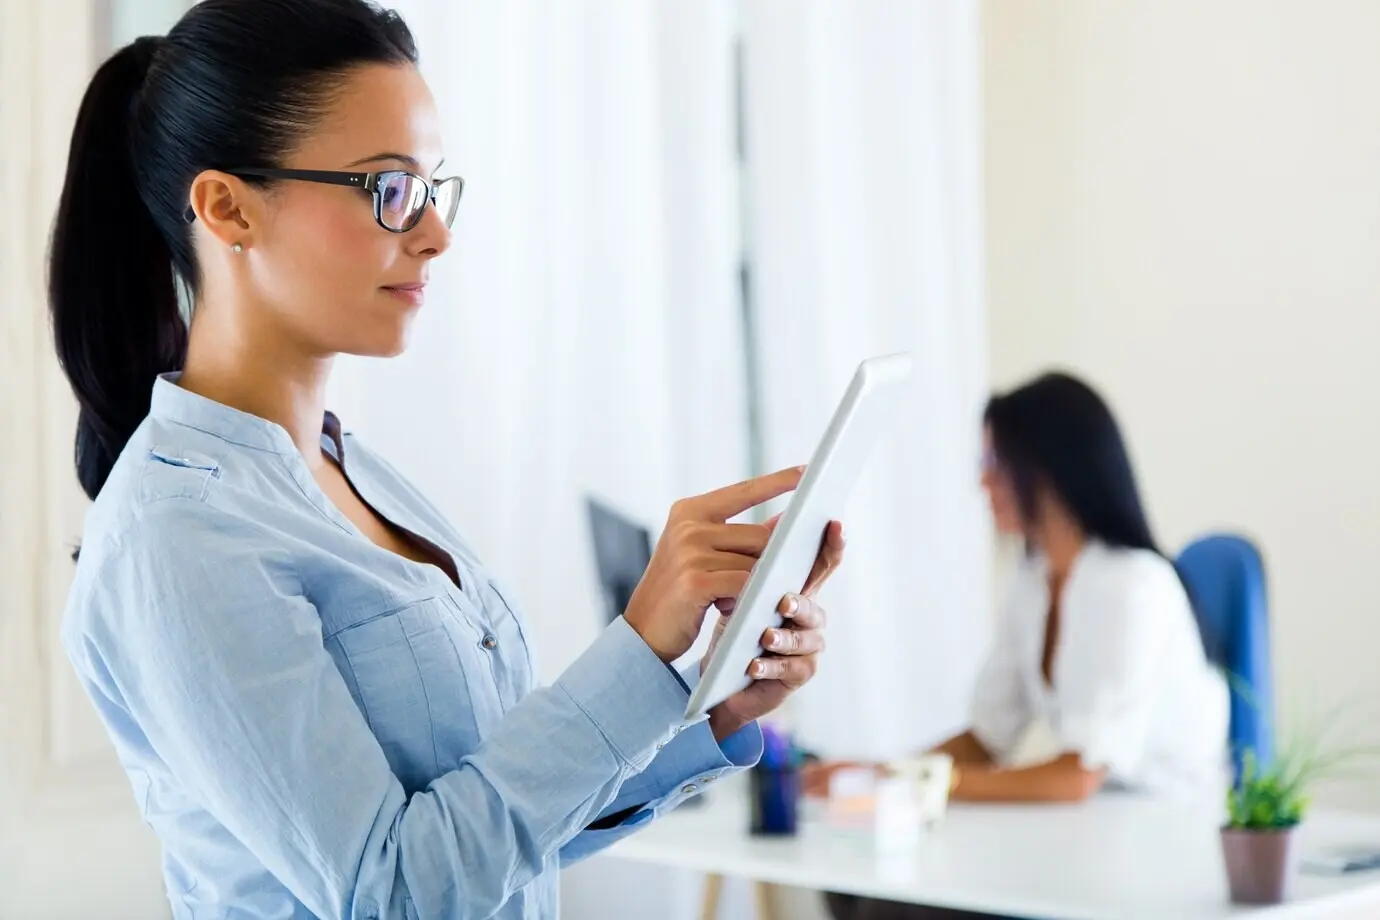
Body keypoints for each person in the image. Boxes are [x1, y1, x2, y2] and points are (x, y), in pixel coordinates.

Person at [48, 2, 845, 917]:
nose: (433, 232)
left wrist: (714, 714)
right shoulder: (177, 534)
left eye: (433, 188)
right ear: (228, 207)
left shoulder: (354, 474)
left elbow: (493, 829)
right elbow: (394, 889)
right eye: (389, 188)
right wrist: (637, 645)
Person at [812, 371, 1229, 920]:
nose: (982, 486)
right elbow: (989, 736)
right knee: (858, 882)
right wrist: (879, 774)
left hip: (1161, 846)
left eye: (995, 467)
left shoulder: (1135, 586)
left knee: (900, 909)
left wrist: (918, 787)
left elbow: (1077, 776)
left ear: (1049, 472)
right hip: (1089, 836)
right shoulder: (1035, 581)